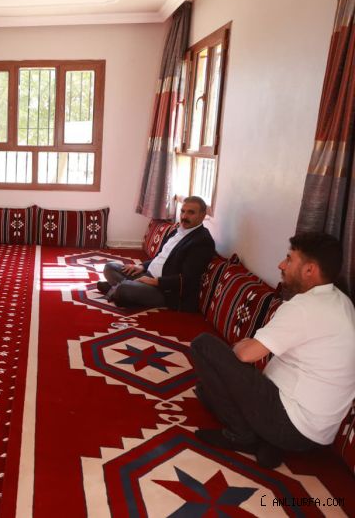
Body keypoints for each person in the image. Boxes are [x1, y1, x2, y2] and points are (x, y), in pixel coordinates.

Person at [191, 232, 355, 468]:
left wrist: (239, 346)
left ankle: (242, 436)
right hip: (318, 435)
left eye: (289, 259)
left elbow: (245, 354)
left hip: (290, 422)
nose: (281, 265)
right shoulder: (342, 301)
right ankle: (268, 442)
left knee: (203, 345)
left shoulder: (304, 307)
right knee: (206, 390)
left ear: (309, 270)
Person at [98, 196, 215, 311]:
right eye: (183, 211)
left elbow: (188, 279)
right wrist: (141, 266)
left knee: (124, 288)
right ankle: (119, 290)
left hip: (164, 290)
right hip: (148, 275)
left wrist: (154, 281)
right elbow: (160, 258)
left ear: (202, 215)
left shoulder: (202, 241)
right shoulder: (176, 231)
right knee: (110, 267)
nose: (184, 216)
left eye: (191, 213)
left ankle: (117, 289)